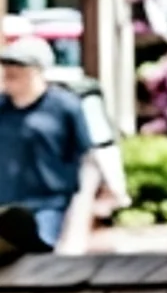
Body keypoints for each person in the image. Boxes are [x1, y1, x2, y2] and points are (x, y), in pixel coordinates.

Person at [0, 36, 98, 255]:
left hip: (48, 207)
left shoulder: (65, 107)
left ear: (38, 70)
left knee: (39, 255)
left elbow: (87, 159)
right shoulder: (1, 108)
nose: (9, 71)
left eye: (18, 66)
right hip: (5, 207)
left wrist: (80, 216)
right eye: (6, 65)